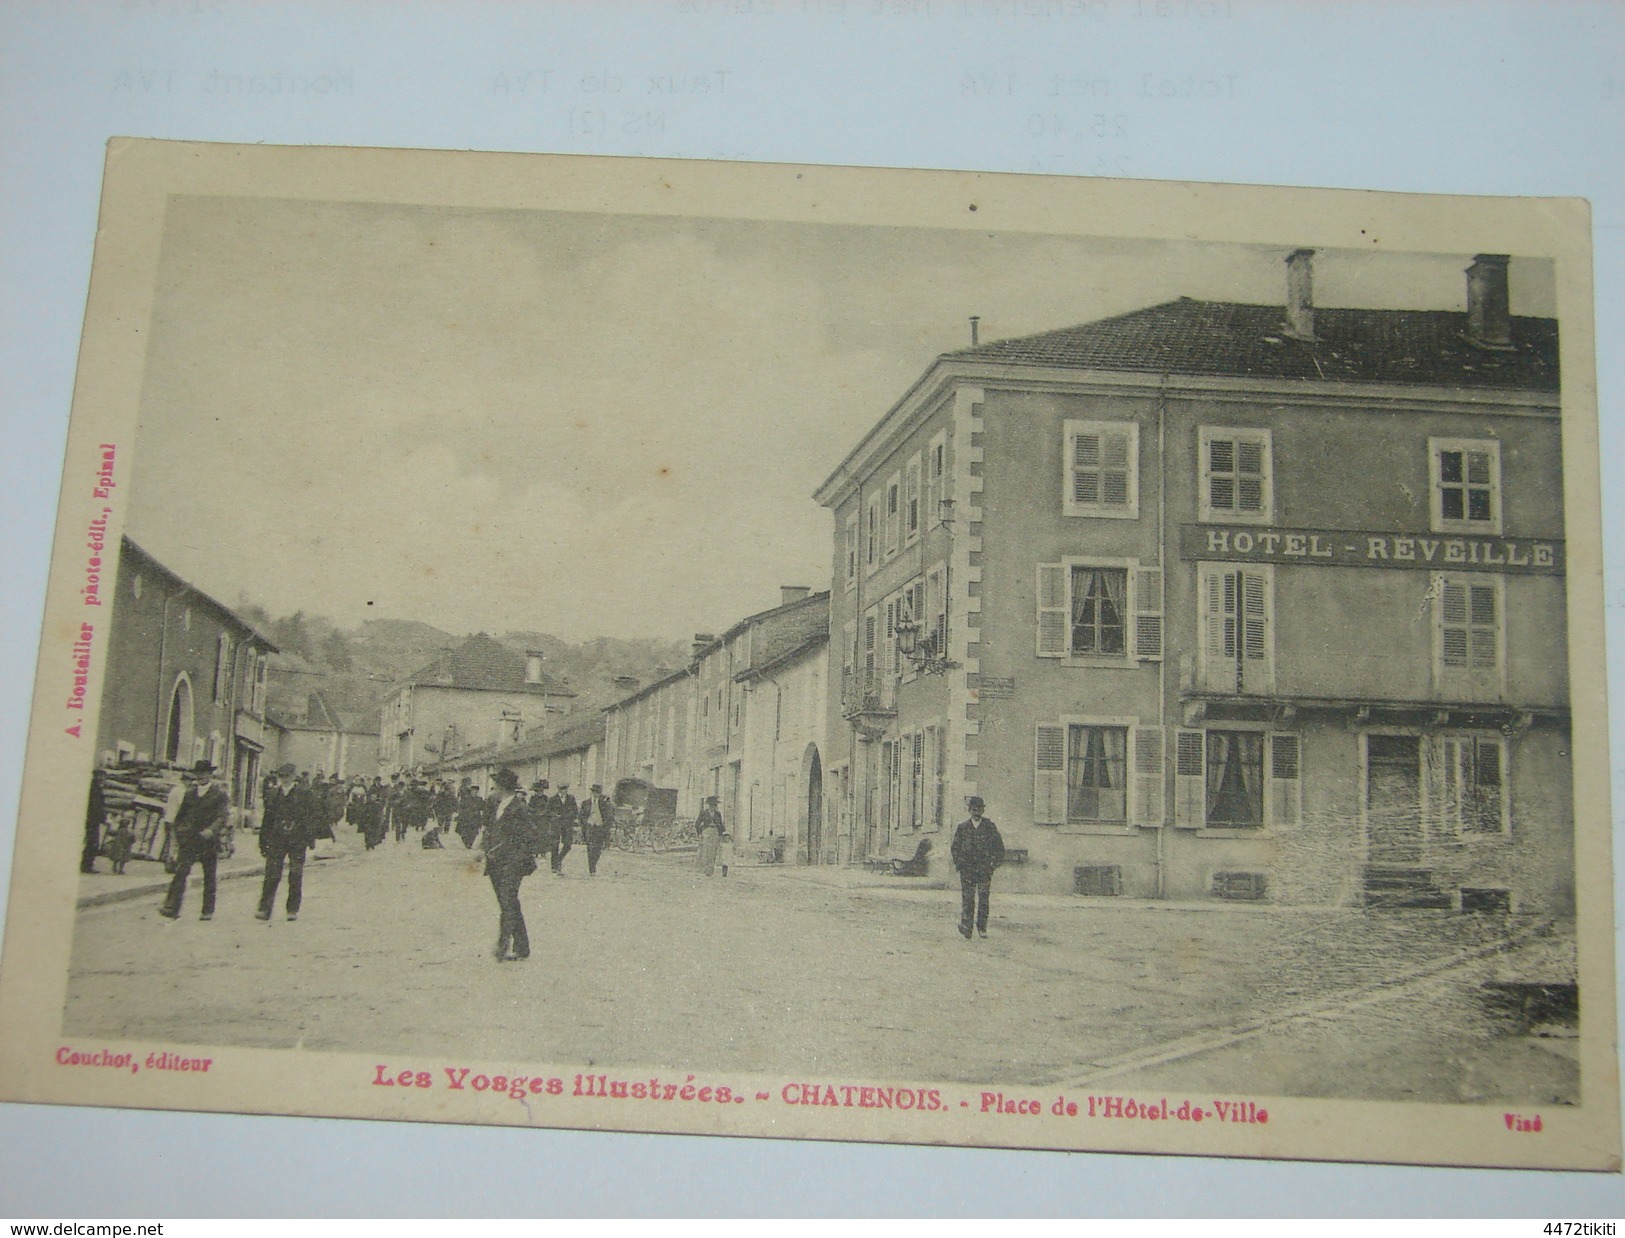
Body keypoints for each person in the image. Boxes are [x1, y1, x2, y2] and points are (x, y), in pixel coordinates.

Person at [475, 767, 537, 962]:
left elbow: (530, 836)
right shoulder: (496, 805)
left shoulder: (521, 808)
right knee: (508, 903)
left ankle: (503, 946)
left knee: (508, 901)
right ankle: (522, 947)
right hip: (495, 863)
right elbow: (490, 830)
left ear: (502, 787)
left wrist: (514, 855)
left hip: (512, 864)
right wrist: (482, 849)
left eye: (495, 785)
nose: (493, 789)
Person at [158, 760, 229, 921]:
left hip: (208, 840)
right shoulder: (189, 793)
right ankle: (172, 907)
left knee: (209, 874)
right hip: (190, 839)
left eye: (204, 774)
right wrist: (181, 831)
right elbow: (181, 816)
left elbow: (222, 816)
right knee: (181, 872)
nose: (201, 777)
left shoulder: (220, 794)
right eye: (198, 774)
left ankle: (207, 910)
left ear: (210, 775)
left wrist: (211, 830)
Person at [255, 763, 310, 922]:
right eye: (282, 777)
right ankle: (265, 909)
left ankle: (292, 909)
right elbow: (268, 819)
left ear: (294, 777)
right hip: (276, 838)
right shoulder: (272, 794)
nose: (285, 780)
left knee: (295, 874)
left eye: (288, 776)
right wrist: (263, 841)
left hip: (297, 839)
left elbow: (312, 816)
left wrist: (307, 837)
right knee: (272, 874)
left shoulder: (304, 794)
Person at [950, 795, 1005, 939]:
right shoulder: (962, 828)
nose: (976, 812)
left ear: (983, 810)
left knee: (983, 897)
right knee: (968, 898)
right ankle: (966, 927)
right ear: (969, 810)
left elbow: (999, 847)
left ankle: (982, 927)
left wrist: (993, 864)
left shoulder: (989, 827)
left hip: (984, 869)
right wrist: (959, 863)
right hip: (967, 869)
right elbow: (955, 848)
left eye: (979, 809)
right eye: (974, 809)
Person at [579, 784, 615, 876]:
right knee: (590, 848)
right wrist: (585, 823)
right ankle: (592, 868)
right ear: (592, 792)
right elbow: (581, 815)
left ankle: (593, 863)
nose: (596, 794)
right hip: (590, 827)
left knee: (598, 849)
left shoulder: (604, 802)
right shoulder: (586, 803)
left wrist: (605, 826)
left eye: (598, 792)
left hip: (600, 827)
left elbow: (609, 814)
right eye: (594, 792)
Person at [696, 795, 724, 877]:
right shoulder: (704, 813)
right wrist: (700, 833)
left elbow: (721, 824)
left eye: (715, 805)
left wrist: (721, 835)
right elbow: (697, 823)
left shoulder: (718, 814)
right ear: (709, 805)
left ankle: (710, 869)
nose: (713, 807)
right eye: (712, 805)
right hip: (706, 831)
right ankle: (705, 869)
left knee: (713, 851)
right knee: (705, 850)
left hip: (715, 831)